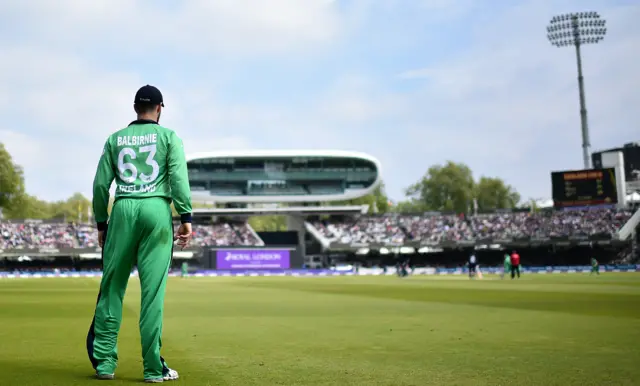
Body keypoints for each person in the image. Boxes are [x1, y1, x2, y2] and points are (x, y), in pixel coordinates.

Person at [86, 85, 193, 383]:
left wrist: (101, 224)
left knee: (112, 289)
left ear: (135, 107)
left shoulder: (115, 139)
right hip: (157, 211)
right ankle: (152, 369)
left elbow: (99, 186)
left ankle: (105, 364)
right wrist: (185, 217)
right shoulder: (169, 137)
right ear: (160, 108)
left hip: (122, 209)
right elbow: (179, 179)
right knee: (152, 295)